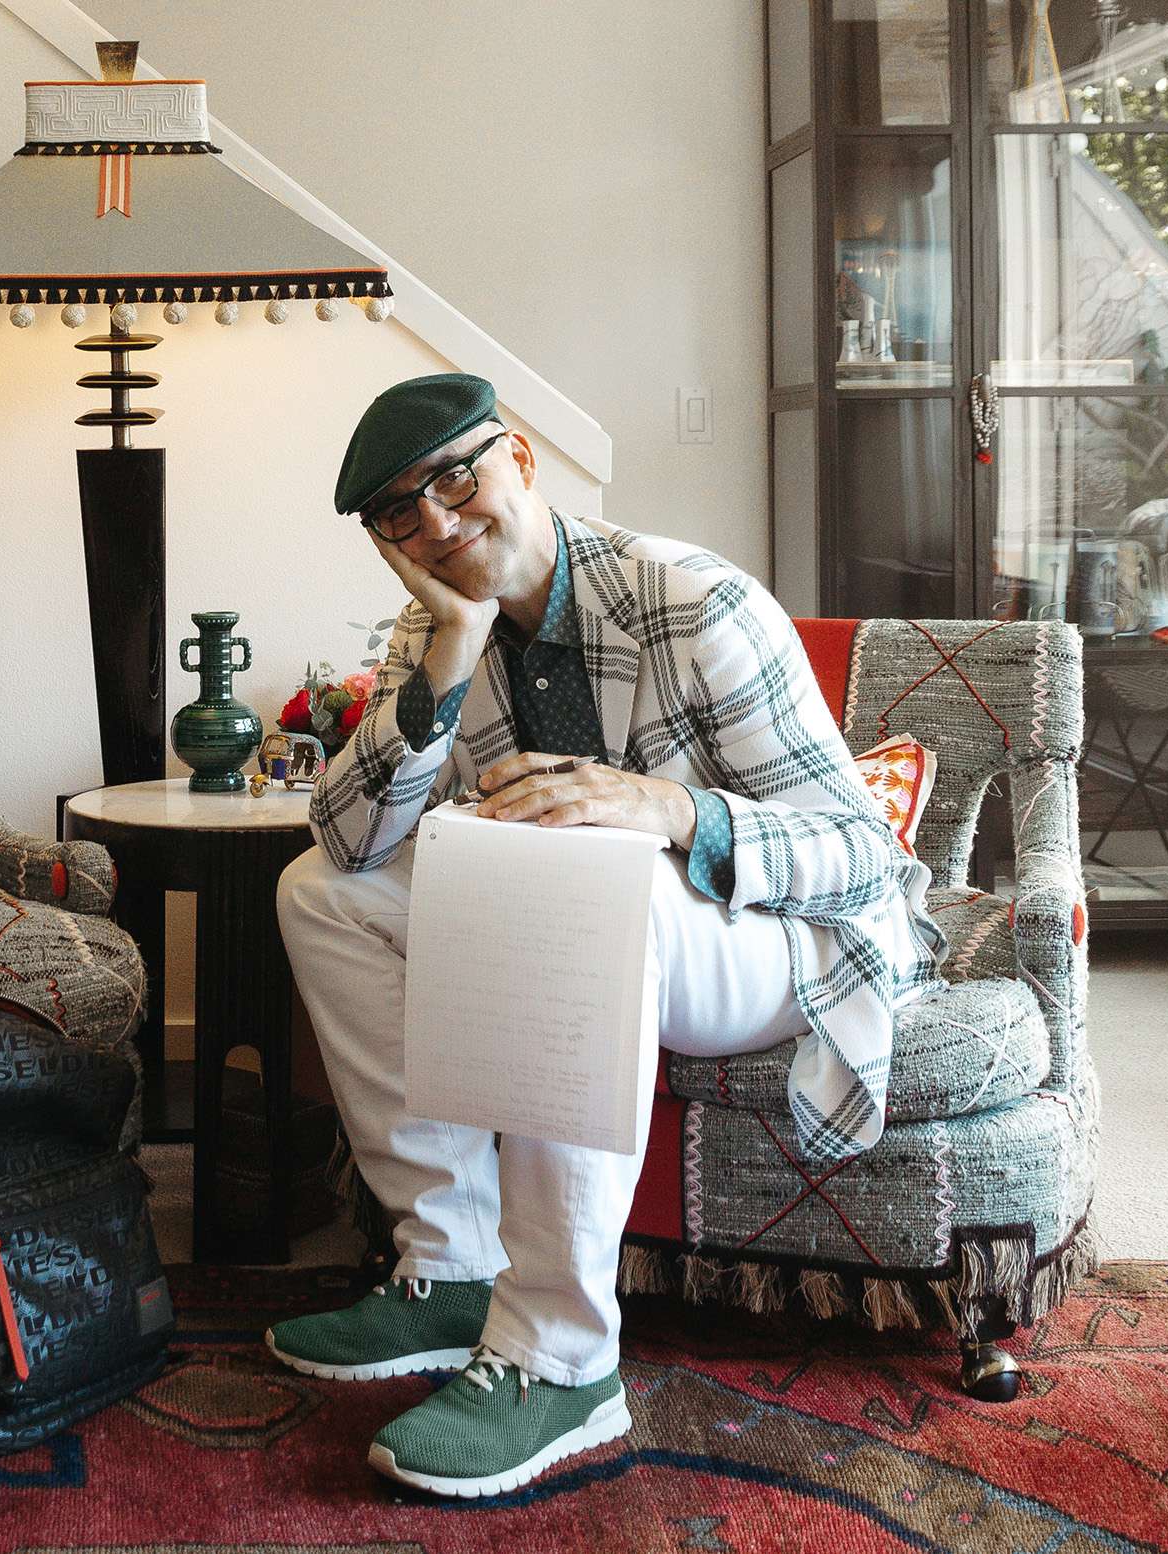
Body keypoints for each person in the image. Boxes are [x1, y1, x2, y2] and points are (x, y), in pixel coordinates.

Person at [268, 373, 944, 1498]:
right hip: (601, 924)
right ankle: (450, 1266)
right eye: (399, 512)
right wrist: (449, 651)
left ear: (521, 460)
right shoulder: (434, 627)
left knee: (576, 880)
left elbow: (859, 851)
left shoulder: (693, 600)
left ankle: (561, 1355)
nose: (437, 520)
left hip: (780, 941)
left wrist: (666, 809)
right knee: (318, 896)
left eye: (456, 478)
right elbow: (346, 844)